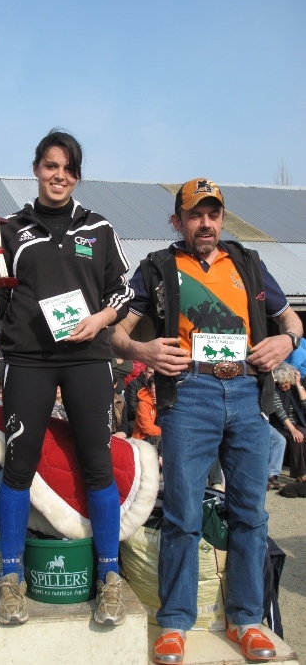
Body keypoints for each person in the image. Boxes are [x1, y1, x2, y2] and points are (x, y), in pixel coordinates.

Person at [110, 178, 302, 664]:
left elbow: (291, 320)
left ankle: (247, 620)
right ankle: (175, 623)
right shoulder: (157, 267)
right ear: (177, 220)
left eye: (213, 214)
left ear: (221, 219)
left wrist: (288, 341)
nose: (206, 223)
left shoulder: (248, 264)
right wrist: (143, 350)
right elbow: (116, 334)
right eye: (195, 214)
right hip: (188, 392)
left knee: (251, 512)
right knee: (182, 513)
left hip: (247, 390)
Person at [0, 129, 130, 626]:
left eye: (69, 169)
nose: (59, 176)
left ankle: (109, 576)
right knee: (19, 466)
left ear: (77, 176)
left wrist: (100, 319)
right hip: (28, 359)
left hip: (87, 357)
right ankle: (12, 579)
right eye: (51, 166)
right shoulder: (10, 229)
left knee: (98, 464)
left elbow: (122, 292)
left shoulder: (99, 228)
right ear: (36, 169)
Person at [271, 363, 306, 482]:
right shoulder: (274, 391)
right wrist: (293, 430)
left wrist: (298, 385)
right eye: (280, 383)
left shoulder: (296, 389)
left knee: (303, 433)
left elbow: (305, 405)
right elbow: (280, 412)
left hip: (298, 424)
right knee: (298, 436)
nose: (283, 385)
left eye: (286, 382)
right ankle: (299, 474)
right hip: (281, 425)